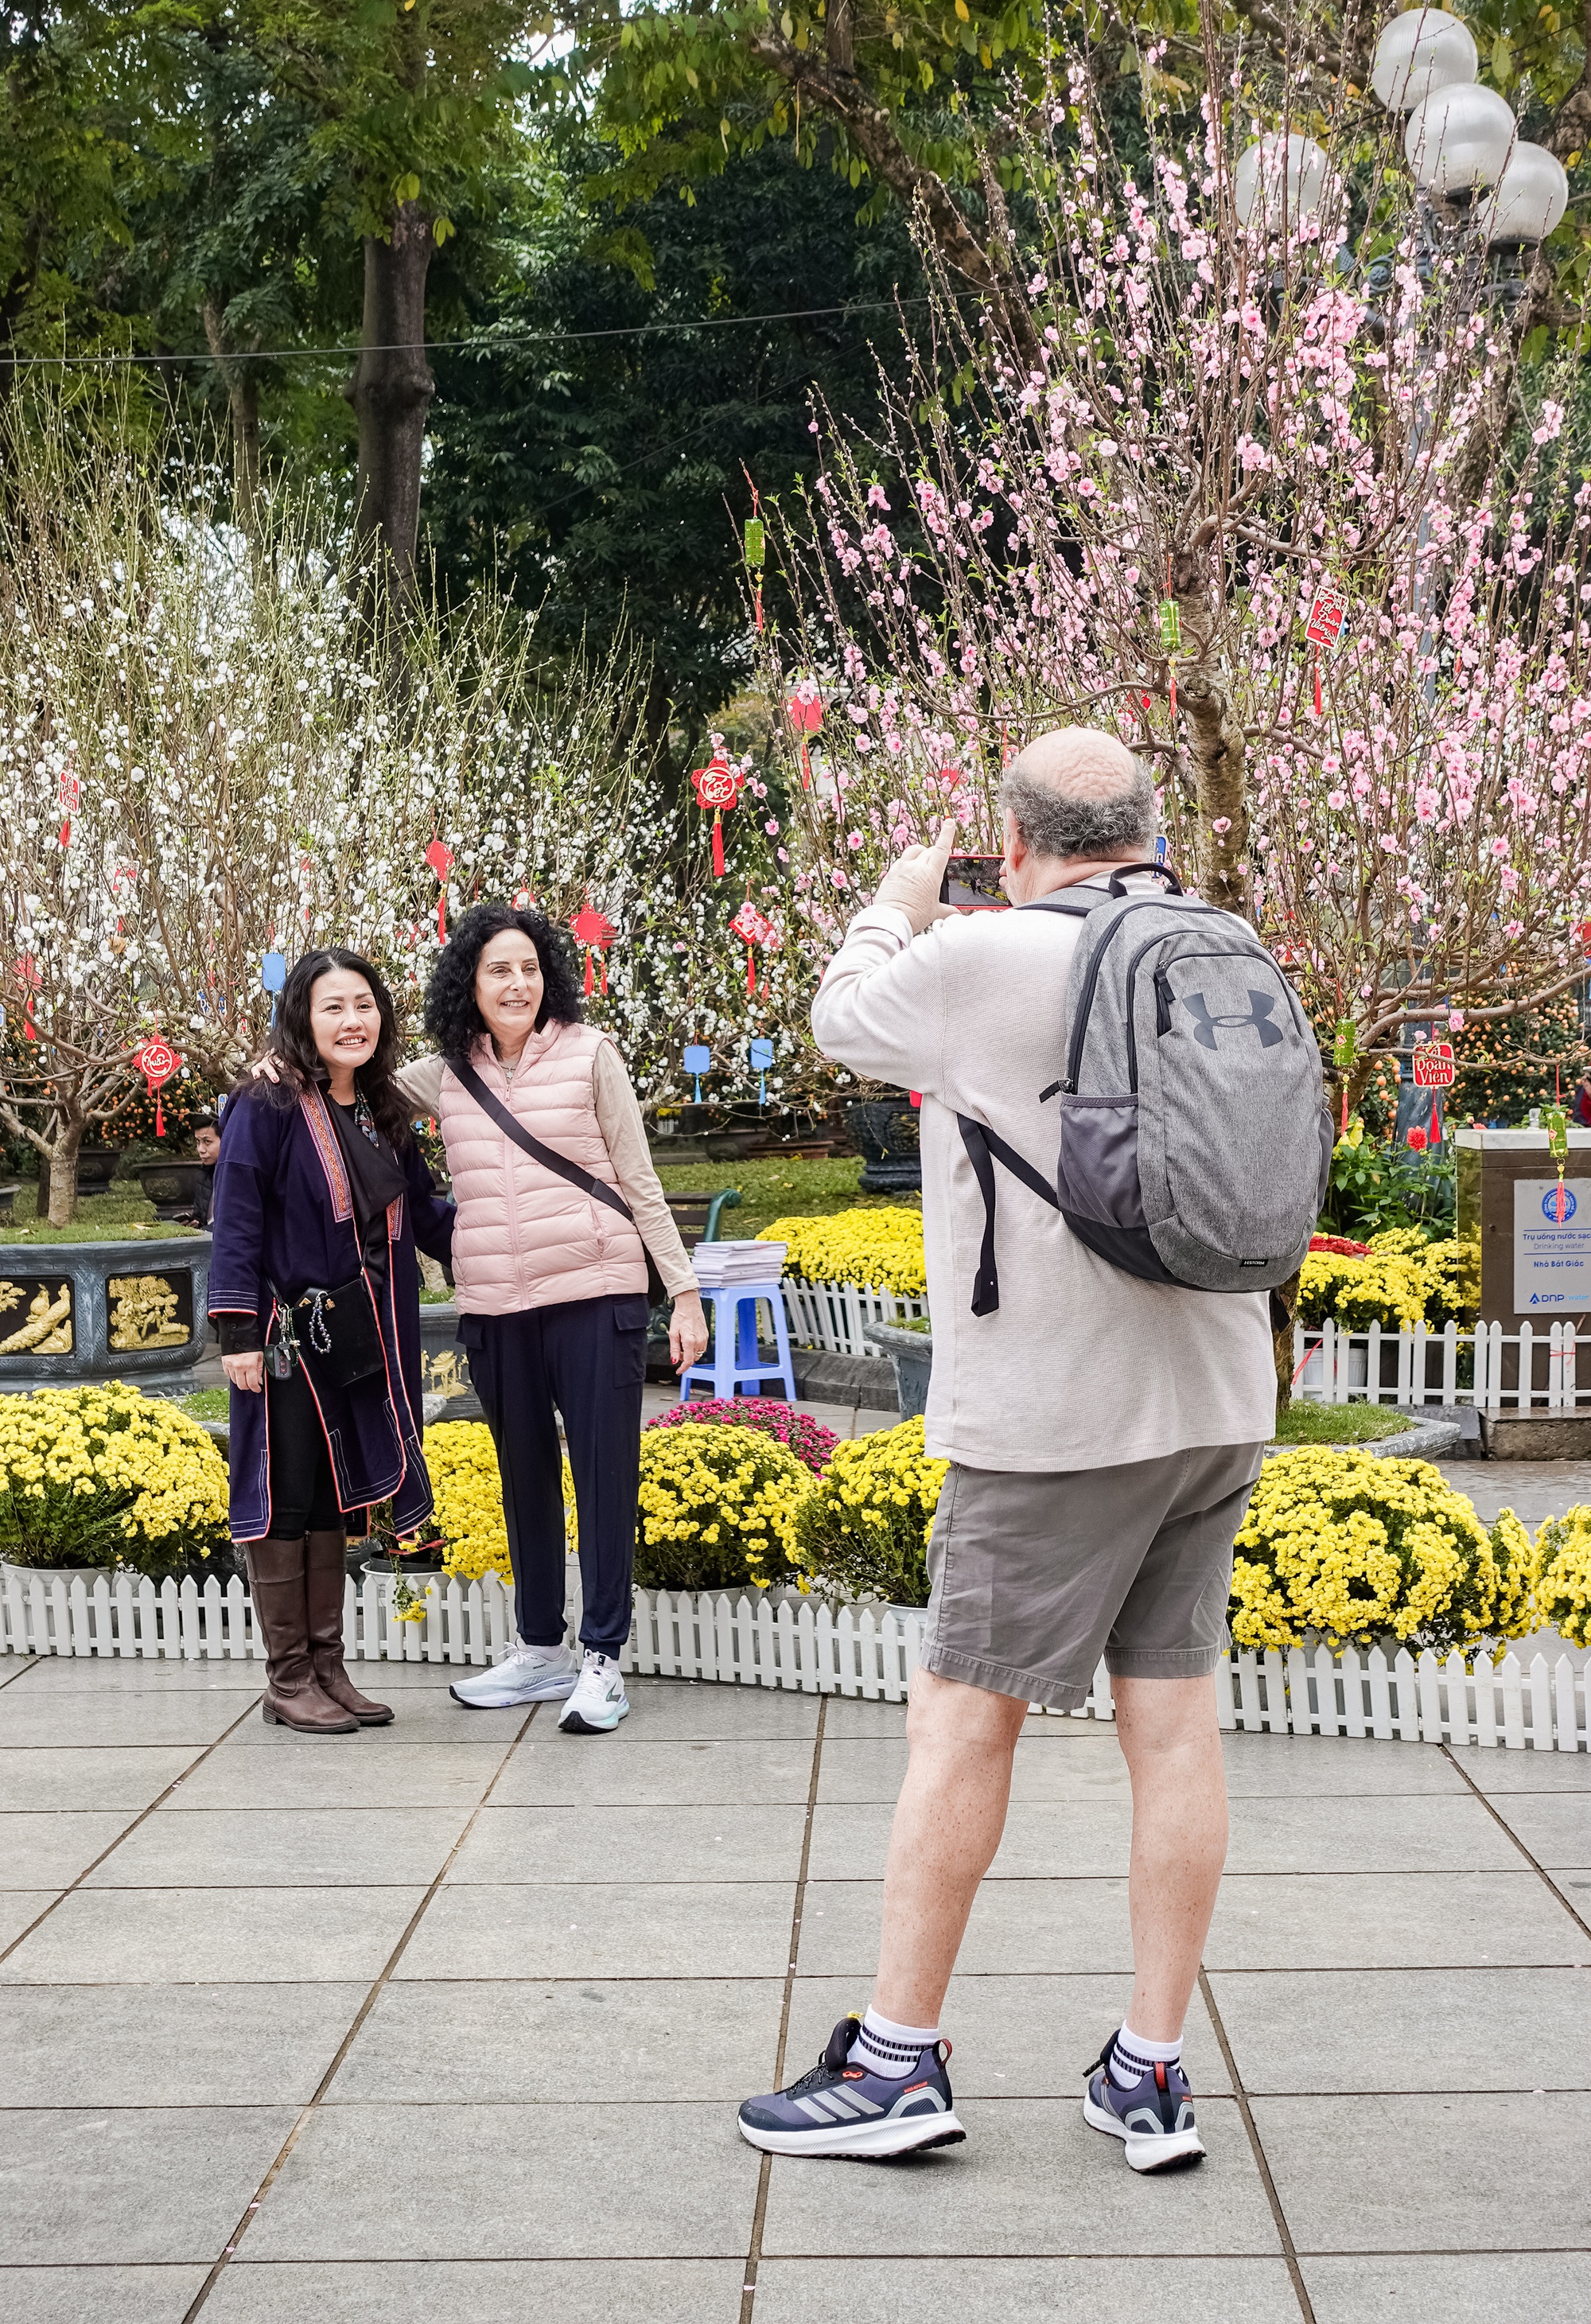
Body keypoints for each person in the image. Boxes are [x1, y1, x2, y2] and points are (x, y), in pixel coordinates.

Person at [737, 727, 1275, 2168]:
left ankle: (898, 2062)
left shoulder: (981, 956)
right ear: (1151, 827)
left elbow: (842, 1016)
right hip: (1216, 1397)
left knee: (962, 1717)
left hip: (1055, 1420)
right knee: (1174, 1728)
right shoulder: (1220, 941)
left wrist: (902, 893)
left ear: (1017, 840)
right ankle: (1150, 2070)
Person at [399, 902, 709, 1733]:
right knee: (524, 1478)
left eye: (530, 968)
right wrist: (280, 1070)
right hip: (497, 1309)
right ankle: (539, 1651)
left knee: (604, 1476)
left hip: (596, 1295)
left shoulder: (589, 1055)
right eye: (499, 969)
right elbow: (344, 1086)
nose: (517, 983)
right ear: (469, 980)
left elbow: (639, 1179)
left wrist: (681, 1293)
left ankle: (602, 1660)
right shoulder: (444, 1075)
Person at [209, 951, 457, 1734]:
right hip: (288, 1333)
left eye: (364, 1005)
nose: (352, 1021)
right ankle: (287, 1679)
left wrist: (517, 1235)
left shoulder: (382, 1109)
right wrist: (239, 1332)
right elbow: (238, 1217)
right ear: (302, 1019)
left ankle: (327, 1668)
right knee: (287, 1494)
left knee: (334, 1496)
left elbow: (423, 1211)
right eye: (333, 1007)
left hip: (367, 1334)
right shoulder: (267, 1104)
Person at [179, 1111, 220, 1227]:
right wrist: (196, 1222)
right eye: (198, 1142)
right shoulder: (206, 1173)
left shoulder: (238, 1175)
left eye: (207, 1142)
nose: (201, 1149)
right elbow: (201, 1215)